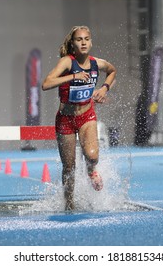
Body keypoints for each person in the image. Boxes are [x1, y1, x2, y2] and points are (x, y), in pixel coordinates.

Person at [42, 26, 117, 210]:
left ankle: (91, 171)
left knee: (92, 156)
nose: (83, 42)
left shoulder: (96, 63)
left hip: (86, 115)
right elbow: (46, 83)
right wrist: (72, 77)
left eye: (86, 39)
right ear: (73, 44)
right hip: (65, 119)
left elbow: (113, 71)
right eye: (79, 39)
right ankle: (69, 204)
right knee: (69, 168)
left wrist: (104, 88)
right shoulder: (67, 62)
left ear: (91, 43)